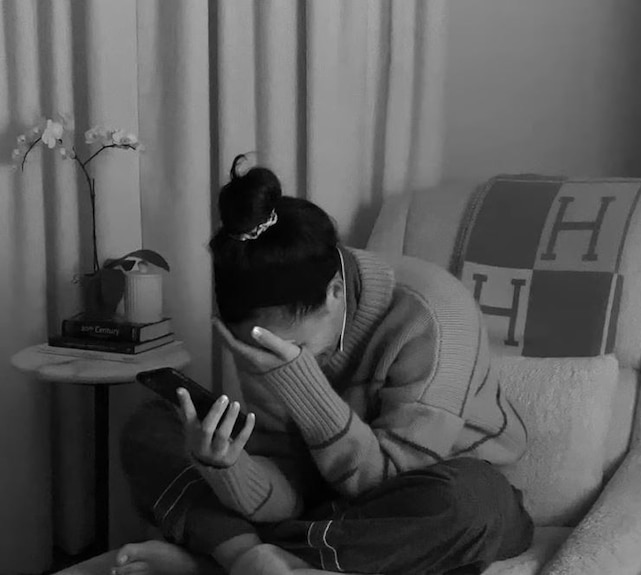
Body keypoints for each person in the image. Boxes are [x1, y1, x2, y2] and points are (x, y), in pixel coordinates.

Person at [112, 155, 532, 575]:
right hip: (323, 505)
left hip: (418, 492)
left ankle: (232, 558)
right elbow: (289, 487)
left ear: (335, 291)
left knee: (474, 502)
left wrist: (301, 383)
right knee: (151, 429)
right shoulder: (260, 333)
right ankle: (250, 557)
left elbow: (387, 481)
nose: (271, 359)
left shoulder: (435, 315)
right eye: (254, 348)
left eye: (292, 347)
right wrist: (226, 466)